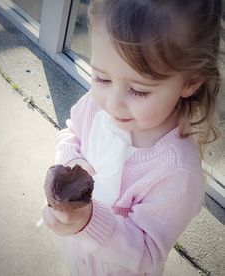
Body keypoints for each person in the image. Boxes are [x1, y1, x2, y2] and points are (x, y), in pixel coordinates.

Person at [42, 0, 222, 275]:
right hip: (82, 259)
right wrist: (73, 162)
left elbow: (148, 253)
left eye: (138, 90)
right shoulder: (96, 106)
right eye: (101, 78)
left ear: (189, 82)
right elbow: (71, 133)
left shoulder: (176, 173)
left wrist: (88, 223)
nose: (113, 103)